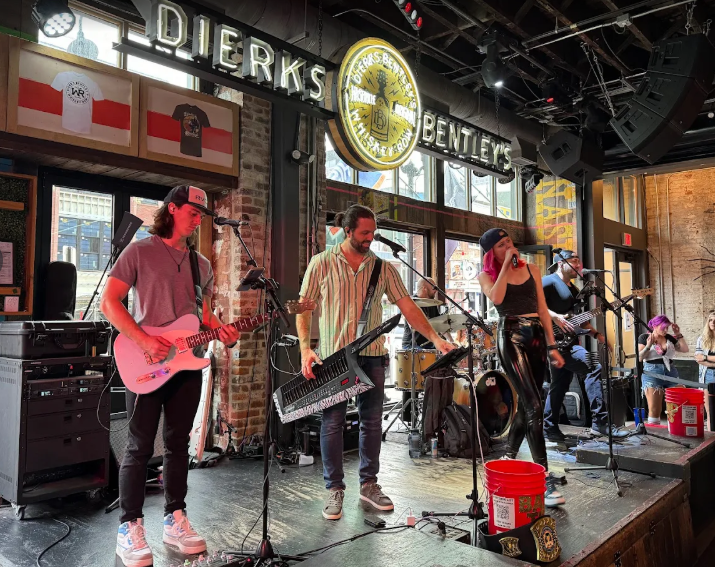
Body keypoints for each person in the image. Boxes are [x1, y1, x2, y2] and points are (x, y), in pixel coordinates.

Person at [101, 186, 240, 567]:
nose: (197, 220)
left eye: (201, 215)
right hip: (145, 361)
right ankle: (129, 526)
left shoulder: (202, 264)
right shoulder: (139, 251)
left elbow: (201, 315)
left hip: (186, 364)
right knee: (139, 446)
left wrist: (224, 331)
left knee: (179, 444)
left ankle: (175, 517)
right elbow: (109, 302)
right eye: (192, 212)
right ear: (173, 209)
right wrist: (144, 339)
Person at [296, 205, 456, 521]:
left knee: (371, 422)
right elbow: (304, 308)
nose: (370, 238)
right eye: (364, 233)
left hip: (372, 356)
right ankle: (334, 489)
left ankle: (369, 484)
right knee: (332, 423)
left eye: (373, 232)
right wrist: (305, 350)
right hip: (334, 357)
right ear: (347, 231)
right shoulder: (322, 263)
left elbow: (408, 307)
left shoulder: (383, 268)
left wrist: (436, 339)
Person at [477, 228, 566, 508]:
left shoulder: (532, 269)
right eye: (501, 245)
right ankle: (544, 478)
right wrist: (505, 266)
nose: (509, 247)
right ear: (492, 252)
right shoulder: (486, 276)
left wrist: (552, 346)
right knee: (534, 405)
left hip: (536, 335)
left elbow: (542, 308)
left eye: (509, 242)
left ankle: (508, 457)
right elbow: (497, 298)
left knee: (530, 405)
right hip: (510, 334)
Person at [541, 251, 628, 441]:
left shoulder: (573, 289)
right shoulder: (548, 281)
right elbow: (532, 304)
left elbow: (579, 320)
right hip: (553, 342)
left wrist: (596, 334)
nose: (578, 264)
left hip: (568, 341)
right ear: (561, 263)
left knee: (559, 385)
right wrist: (555, 316)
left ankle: (549, 427)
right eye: (574, 261)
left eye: (579, 260)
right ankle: (600, 423)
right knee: (593, 366)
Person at [400, 277, 444, 422]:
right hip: (412, 344)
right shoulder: (411, 302)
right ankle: (409, 415)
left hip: (428, 344)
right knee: (415, 379)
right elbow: (414, 325)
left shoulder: (432, 304)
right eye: (434, 288)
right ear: (425, 288)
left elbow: (441, 325)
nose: (436, 291)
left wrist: (448, 340)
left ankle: (434, 411)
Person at [638, 315, 689, 425]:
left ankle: (675, 429)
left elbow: (685, 349)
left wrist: (678, 334)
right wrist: (648, 346)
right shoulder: (644, 337)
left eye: (667, 327)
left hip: (670, 371)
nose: (666, 330)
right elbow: (640, 358)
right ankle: (654, 432)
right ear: (654, 326)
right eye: (663, 327)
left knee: (677, 405)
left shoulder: (669, 337)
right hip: (652, 372)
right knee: (655, 409)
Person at [695, 310, 715, 385]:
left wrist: (705, 357)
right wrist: (713, 365)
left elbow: (702, 358)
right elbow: (698, 359)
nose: (713, 322)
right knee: (707, 393)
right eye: (710, 320)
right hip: (708, 373)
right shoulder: (702, 339)